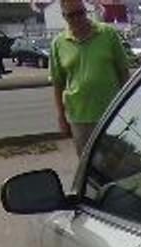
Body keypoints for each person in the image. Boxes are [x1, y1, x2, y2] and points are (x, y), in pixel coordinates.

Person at [49, 0, 131, 156]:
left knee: (116, 161)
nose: (77, 18)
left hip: (111, 113)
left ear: (86, 11)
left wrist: (127, 106)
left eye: (81, 13)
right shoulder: (58, 43)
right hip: (79, 118)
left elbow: (123, 72)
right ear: (64, 16)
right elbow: (58, 84)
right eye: (71, 15)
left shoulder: (108, 34)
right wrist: (61, 117)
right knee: (87, 162)